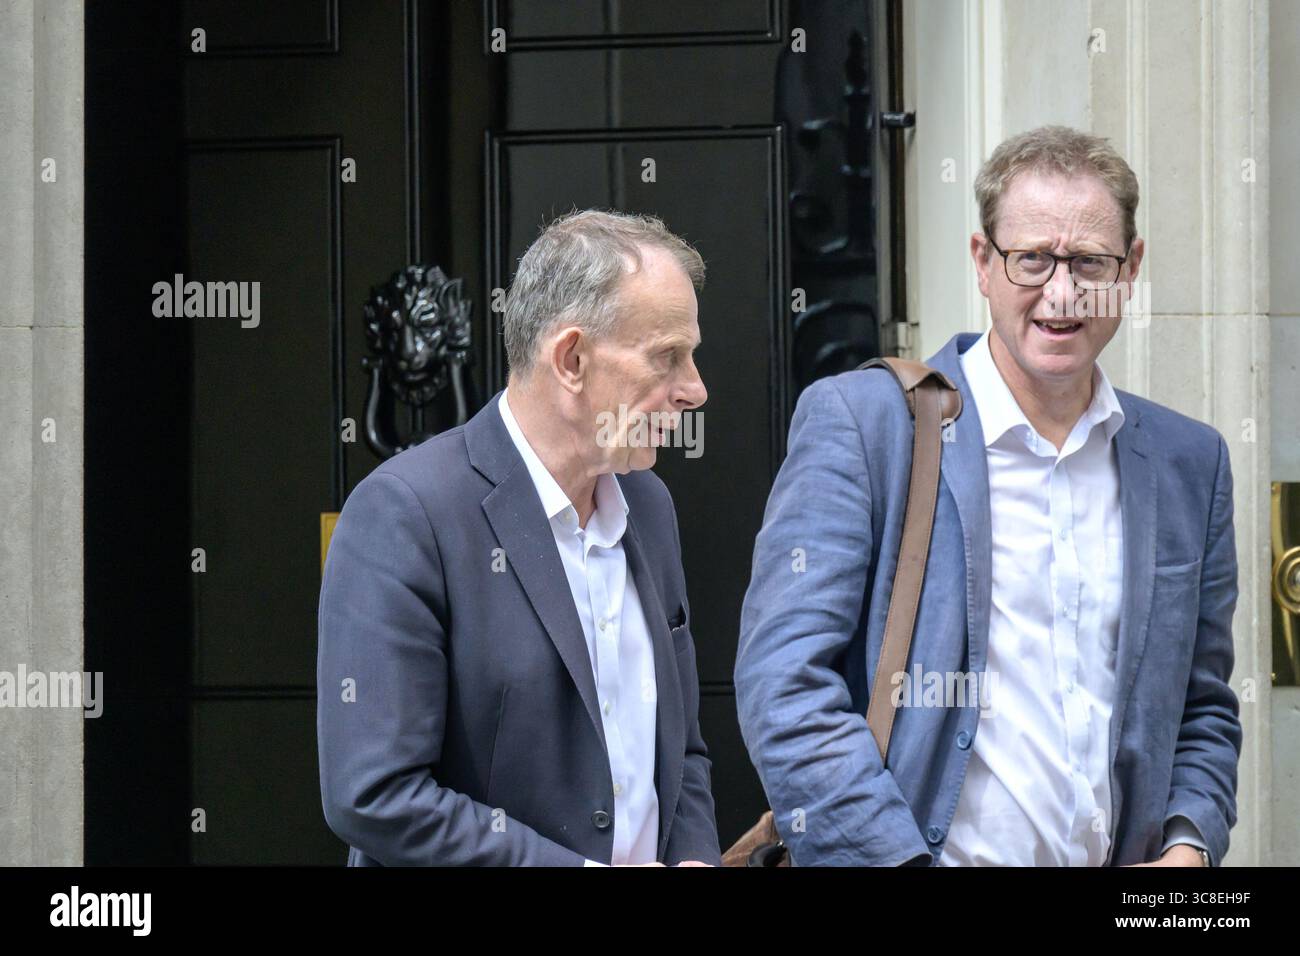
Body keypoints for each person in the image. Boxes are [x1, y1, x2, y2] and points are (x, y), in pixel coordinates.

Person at [735, 125, 1241, 867]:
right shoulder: (867, 424)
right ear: (983, 262)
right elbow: (785, 686)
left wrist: (1187, 848)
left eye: (1089, 262)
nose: (1061, 293)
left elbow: (1201, 707)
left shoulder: (1190, 462)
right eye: (1031, 258)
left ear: (1130, 267)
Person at [318, 209, 719, 866]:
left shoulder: (648, 505)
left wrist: (693, 857)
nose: (694, 390)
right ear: (572, 359)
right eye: (667, 357)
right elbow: (375, 794)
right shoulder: (406, 513)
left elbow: (683, 751)